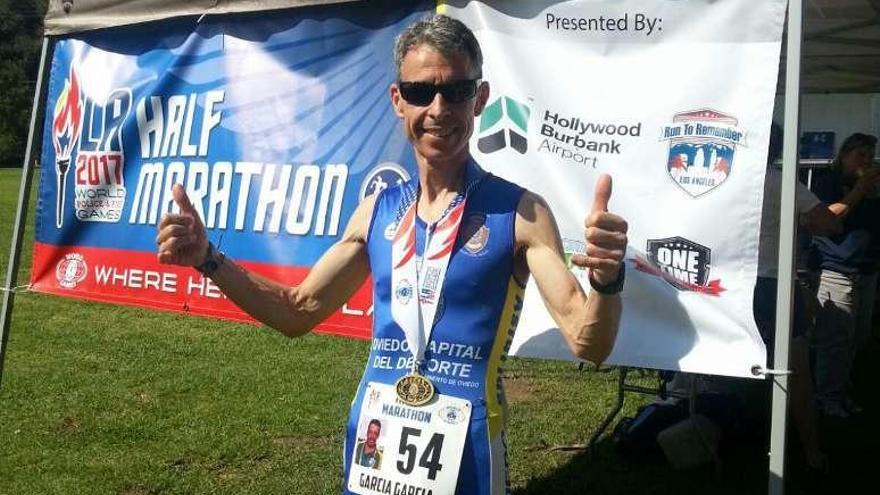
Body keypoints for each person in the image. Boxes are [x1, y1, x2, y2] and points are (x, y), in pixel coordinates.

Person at [155, 15, 628, 495]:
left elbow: (588, 341)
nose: (439, 109)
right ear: (398, 101)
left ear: (480, 99)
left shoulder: (520, 212)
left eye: (457, 91)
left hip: (468, 462)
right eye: (421, 92)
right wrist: (207, 258)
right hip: (375, 452)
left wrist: (607, 281)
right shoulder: (375, 213)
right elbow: (296, 312)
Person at [753, 122, 839, 468]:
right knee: (797, 369)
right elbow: (828, 223)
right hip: (773, 282)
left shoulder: (732, 180)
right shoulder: (782, 182)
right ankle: (812, 452)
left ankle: (717, 425)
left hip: (737, 280)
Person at [809, 132, 880, 418]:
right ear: (844, 155)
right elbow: (829, 217)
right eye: (859, 154)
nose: (866, 161)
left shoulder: (871, 188)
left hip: (866, 268)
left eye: (870, 155)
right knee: (835, 338)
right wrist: (861, 188)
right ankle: (826, 397)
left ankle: (840, 389)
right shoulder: (829, 182)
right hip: (837, 268)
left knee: (858, 337)